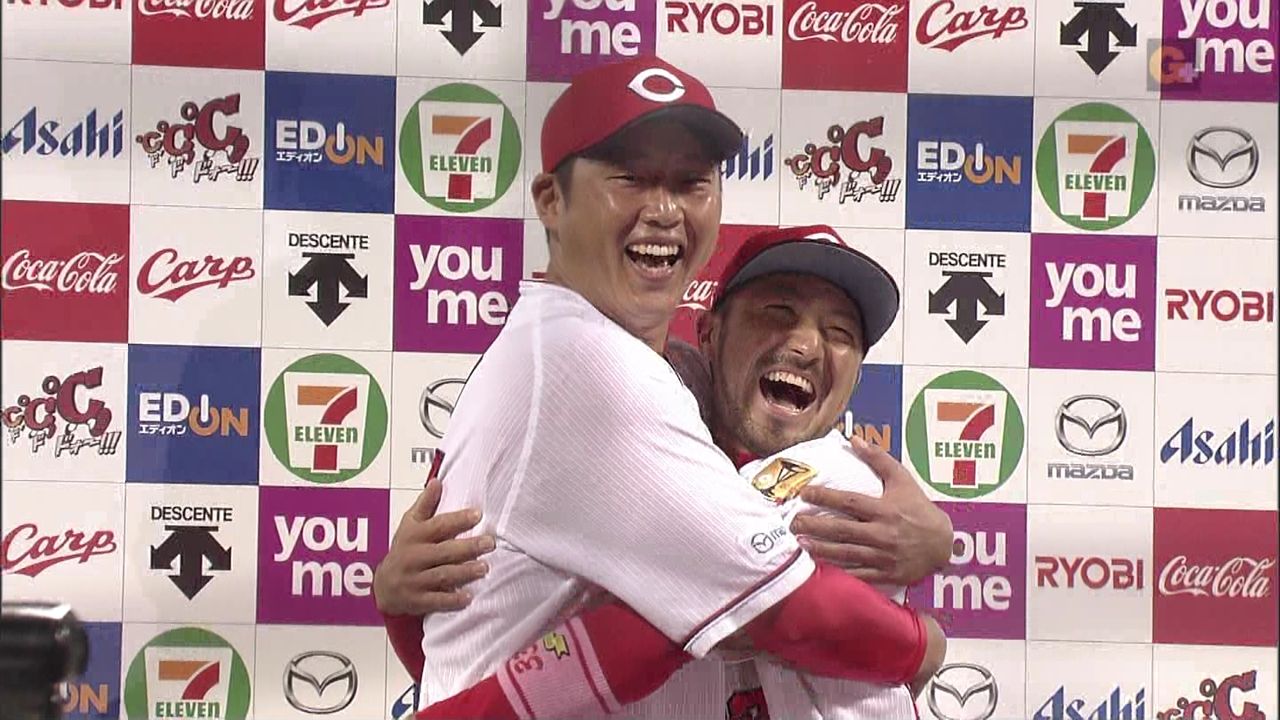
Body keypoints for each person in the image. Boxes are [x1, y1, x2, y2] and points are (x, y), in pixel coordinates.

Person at [376, 55, 954, 719]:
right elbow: (775, 611)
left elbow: (463, 624)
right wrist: (925, 646)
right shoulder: (597, 370)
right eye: (630, 178)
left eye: (690, 183)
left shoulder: (573, 352)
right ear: (552, 201)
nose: (663, 209)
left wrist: (404, 618)